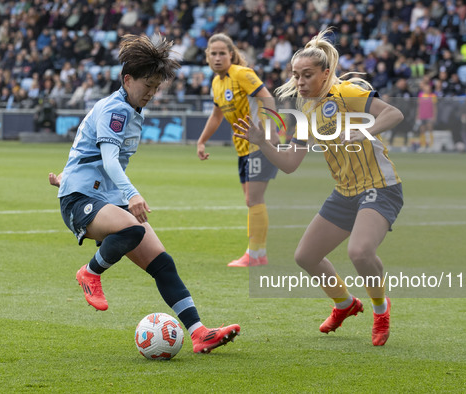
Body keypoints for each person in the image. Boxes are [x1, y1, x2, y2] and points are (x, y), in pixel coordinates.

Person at [48, 34, 239, 354]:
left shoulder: (130, 110)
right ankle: (90, 272)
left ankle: (199, 332)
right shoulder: (116, 110)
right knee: (133, 229)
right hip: (81, 198)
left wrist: (72, 175)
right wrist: (132, 194)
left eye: (156, 87)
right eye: (146, 85)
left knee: (162, 263)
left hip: (102, 195)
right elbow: (108, 160)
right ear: (127, 79)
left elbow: (91, 153)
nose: (151, 93)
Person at [232, 29, 404, 346]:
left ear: (326, 73)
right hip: (345, 192)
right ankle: (344, 304)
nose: (299, 82)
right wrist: (261, 143)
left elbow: (394, 113)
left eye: (307, 75)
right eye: (296, 75)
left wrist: (366, 131)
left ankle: (381, 309)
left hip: (380, 187)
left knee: (360, 251)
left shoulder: (347, 93)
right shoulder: (307, 112)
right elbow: (289, 164)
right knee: (306, 256)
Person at [196, 33, 279, 267]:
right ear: (207, 57)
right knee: (250, 199)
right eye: (213, 53)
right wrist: (201, 141)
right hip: (243, 148)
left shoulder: (242, 74)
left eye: (222, 53)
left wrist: (271, 131)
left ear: (231, 55)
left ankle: (253, 255)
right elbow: (216, 115)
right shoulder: (216, 82)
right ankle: (259, 255)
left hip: (258, 145)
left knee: (254, 199)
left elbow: (267, 99)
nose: (218, 57)